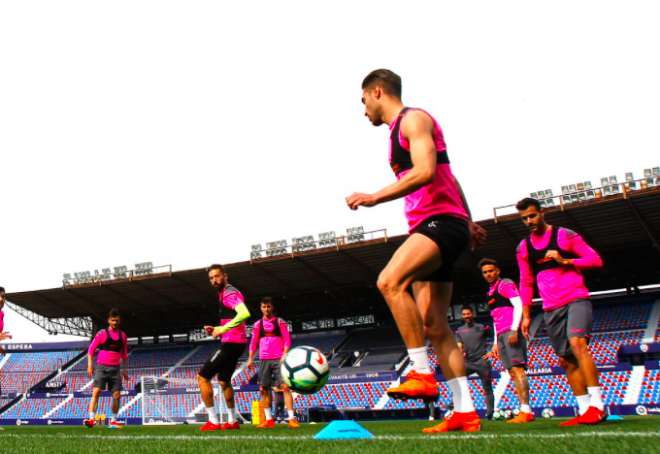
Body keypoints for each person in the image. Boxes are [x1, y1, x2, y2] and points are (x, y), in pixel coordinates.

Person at [347, 69, 487, 433]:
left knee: (390, 281)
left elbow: (426, 171)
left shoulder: (414, 119)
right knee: (436, 326)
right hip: (444, 223)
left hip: (438, 223)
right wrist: (469, 221)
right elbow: (449, 177)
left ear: (377, 92)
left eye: (364, 102)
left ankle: (422, 372)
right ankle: (464, 413)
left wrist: (375, 196)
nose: (364, 111)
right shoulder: (398, 133)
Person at [516, 197, 605, 425]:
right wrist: (526, 317)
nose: (529, 221)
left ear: (542, 213)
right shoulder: (523, 247)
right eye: (524, 218)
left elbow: (595, 260)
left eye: (532, 215)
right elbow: (526, 281)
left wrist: (565, 261)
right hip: (550, 306)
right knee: (566, 360)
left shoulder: (565, 235)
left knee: (577, 344)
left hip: (576, 298)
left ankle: (598, 406)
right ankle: (584, 410)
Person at [479, 258, 533, 423]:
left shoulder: (506, 284)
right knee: (511, 371)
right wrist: (495, 342)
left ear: (497, 271)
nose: (488, 274)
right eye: (485, 272)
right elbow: (496, 319)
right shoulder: (490, 293)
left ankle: (526, 410)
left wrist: (514, 329)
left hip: (511, 332)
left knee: (518, 370)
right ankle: (523, 410)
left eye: (491, 271)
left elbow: (518, 304)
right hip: (501, 335)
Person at [198, 264, 251, 431]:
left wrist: (222, 330)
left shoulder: (229, 293)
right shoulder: (225, 294)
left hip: (231, 343)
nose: (214, 280)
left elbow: (244, 313)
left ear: (225, 276)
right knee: (224, 381)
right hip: (236, 342)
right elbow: (232, 318)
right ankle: (232, 420)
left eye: (217, 276)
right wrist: (216, 329)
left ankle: (213, 421)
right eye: (211, 278)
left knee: (202, 377)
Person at [245, 297, 299, 428]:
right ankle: (269, 419)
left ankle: (291, 418)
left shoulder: (280, 322)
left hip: (279, 358)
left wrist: (284, 355)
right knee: (264, 389)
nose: (266, 309)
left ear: (272, 307)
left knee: (285, 387)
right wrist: (250, 358)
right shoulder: (258, 324)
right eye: (264, 307)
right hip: (264, 359)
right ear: (261, 308)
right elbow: (253, 342)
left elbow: (287, 340)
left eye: (268, 306)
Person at [84, 308, 129, 429]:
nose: (115, 323)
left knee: (116, 395)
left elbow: (124, 354)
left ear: (119, 321)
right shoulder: (102, 334)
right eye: (113, 320)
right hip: (101, 368)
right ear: (109, 320)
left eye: (117, 321)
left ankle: (113, 421)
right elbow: (91, 350)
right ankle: (92, 419)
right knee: (96, 391)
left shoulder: (123, 336)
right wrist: (90, 365)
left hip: (115, 369)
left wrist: (125, 370)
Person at [454, 306, 495, 420]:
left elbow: (497, 338)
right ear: (462, 316)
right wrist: (460, 351)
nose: (466, 316)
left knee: (487, 388)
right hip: (468, 363)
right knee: (456, 382)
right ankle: (458, 410)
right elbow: (459, 344)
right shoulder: (459, 330)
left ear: (473, 314)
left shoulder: (482, 327)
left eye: (468, 313)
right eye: (464, 314)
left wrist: (492, 351)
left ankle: (489, 414)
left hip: (482, 362)